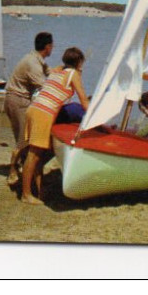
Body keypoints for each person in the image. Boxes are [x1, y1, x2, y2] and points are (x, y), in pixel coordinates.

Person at [20, 47, 89, 205]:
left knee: (39, 153)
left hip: (34, 109)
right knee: (34, 154)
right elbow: (84, 100)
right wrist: (94, 119)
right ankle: (26, 194)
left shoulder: (57, 71)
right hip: (44, 113)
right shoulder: (73, 74)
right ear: (79, 62)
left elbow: (61, 76)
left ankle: (38, 191)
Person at [5, 32, 53, 187]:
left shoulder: (36, 59)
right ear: (48, 47)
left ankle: (25, 170)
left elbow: (48, 72)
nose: (52, 48)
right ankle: (13, 171)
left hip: (17, 99)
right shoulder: (33, 64)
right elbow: (45, 87)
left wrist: (63, 72)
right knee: (23, 140)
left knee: (24, 139)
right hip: (18, 101)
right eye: (52, 46)